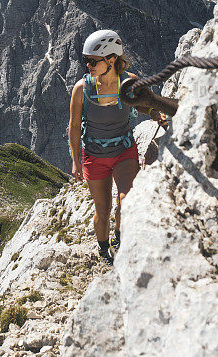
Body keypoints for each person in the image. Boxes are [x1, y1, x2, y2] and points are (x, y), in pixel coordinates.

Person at [67, 29, 166, 264]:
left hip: (124, 151)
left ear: (111, 60)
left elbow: (140, 104)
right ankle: (103, 251)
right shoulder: (81, 89)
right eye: (86, 60)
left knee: (128, 200)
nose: (88, 65)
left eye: (93, 61)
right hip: (94, 155)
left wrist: (154, 113)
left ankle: (120, 239)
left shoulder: (128, 81)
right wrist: (75, 160)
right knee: (103, 210)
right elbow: (72, 127)